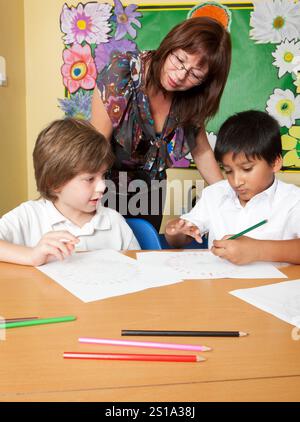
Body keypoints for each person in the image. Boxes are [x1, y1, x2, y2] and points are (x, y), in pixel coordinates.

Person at [91, 17, 231, 231]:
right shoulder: (122, 73)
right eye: (179, 60)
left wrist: (230, 200)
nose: (180, 75)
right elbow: (97, 145)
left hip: (151, 191)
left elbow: (201, 151)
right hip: (105, 186)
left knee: (144, 250)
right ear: (170, 45)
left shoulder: (192, 99)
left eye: (195, 74)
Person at [165, 110, 300, 265]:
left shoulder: (293, 200)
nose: (236, 181)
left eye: (247, 169)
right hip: (220, 285)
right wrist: (174, 231)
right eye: (228, 170)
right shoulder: (215, 195)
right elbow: (178, 240)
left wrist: (257, 250)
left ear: (275, 163)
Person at [0, 118, 140, 266]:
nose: (102, 186)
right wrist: (31, 256)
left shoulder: (114, 222)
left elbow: (139, 272)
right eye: (90, 179)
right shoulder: (29, 216)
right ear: (54, 183)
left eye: (103, 175)